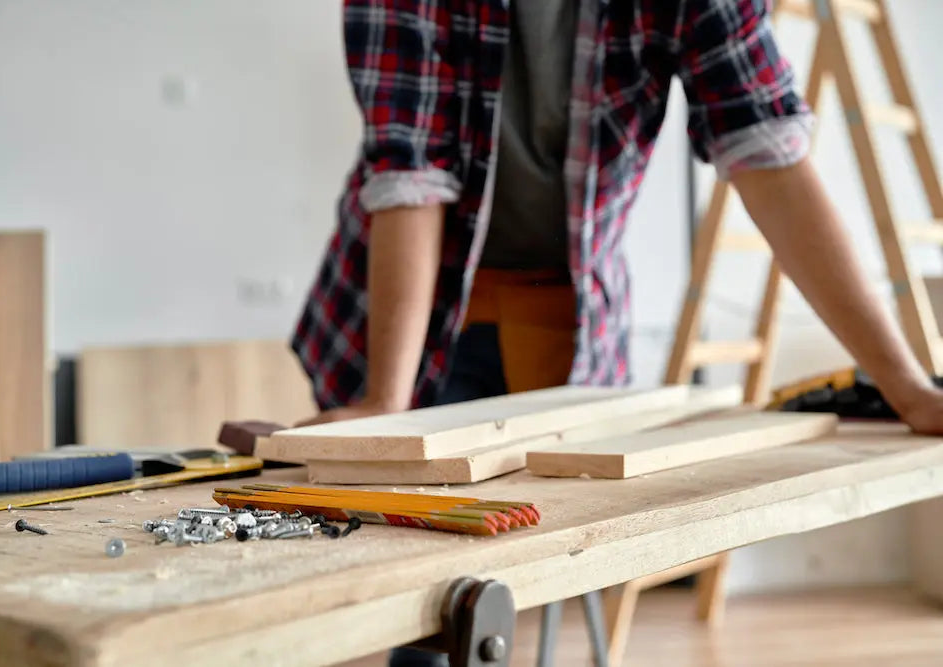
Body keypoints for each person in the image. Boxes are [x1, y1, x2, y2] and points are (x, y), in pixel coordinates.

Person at [291, 1, 943, 664]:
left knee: (553, 570)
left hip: (569, 316)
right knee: (425, 597)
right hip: (412, 318)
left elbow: (771, 156)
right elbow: (410, 179)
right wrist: (387, 406)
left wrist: (908, 388)